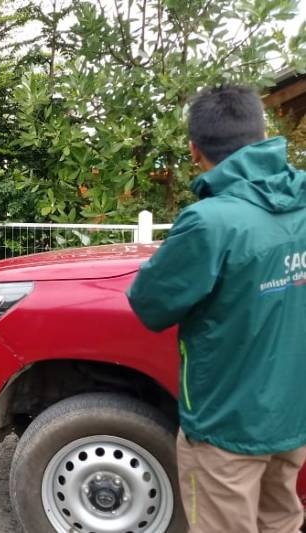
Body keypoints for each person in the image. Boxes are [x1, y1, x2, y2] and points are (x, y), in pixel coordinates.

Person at [127, 85, 306, 532]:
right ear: (263, 134)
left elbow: (149, 304)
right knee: (281, 521)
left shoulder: (209, 222)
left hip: (225, 427)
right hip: (291, 416)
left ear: (194, 149)